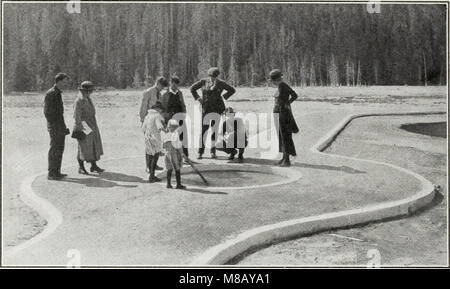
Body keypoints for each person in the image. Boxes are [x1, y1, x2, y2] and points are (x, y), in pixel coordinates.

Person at [190, 67, 236, 160]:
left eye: (214, 77)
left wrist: (223, 97)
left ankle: (213, 151)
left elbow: (232, 90)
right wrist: (199, 99)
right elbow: (192, 88)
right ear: (208, 75)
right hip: (206, 110)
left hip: (217, 110)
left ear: (217, 76)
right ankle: (200, 152)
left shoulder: (221, 83)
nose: (212, 78)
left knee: (214, 131)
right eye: (211, 76)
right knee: (204, 131)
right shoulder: (203, 81)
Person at [73, 81, 105, 174]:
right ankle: (81, 167)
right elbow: (76, 116)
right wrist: (80, 128)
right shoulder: (79, 100)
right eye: (89, 91)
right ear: (84, 91)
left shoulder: (88, 99)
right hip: (84, 124)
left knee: (93, 144)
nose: (90, 92)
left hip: (92, 124)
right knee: (83, 146)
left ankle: (93, 166)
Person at [44, 72, 71, 180]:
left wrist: (63, 127)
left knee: (59, 149)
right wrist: (55, 126)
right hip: (55, 126)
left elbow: (59, 113)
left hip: (59, 126)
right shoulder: (51, 93)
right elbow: (47, 112)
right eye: (64, 82)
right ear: (59, 82)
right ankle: (51, 173)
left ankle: (56, 171)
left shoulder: (57, 93)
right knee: (55, 149)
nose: (66, 85)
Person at [270, 69, 299, 167]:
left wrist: (287, 103)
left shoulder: (283, 86)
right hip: (279, 114)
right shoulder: (280, 86)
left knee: (285, 136)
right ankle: (284, 158)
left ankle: (287, 161)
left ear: (275, 80)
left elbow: (295, 95)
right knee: (281, 136)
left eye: (273, 80)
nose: (272, 82)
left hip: (283, 114)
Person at [140, 76, 168, 171]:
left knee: (155, 145)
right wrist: (143, 120)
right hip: (148, 122)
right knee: (149, 145)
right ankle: (148, 166)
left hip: (156, 122)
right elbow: (143, 107)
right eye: (162, 86)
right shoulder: (148, 92)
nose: (162, 88)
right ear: (158, 83)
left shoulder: (159, 94)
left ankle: (153, 165)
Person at [160, 76, 189, 158]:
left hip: (180, 117)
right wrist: (164, 120)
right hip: (170, 118)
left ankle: (185, 156)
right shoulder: (165, 94)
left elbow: (183, 104)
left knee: (183, 136)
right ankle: (171, 156)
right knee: (171, 137)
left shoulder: (180, 93)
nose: (175, 86)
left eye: (176, 85)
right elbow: (162, 107)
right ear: (170, 83)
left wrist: (184, 113)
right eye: (173, 84)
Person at [142, 101, 166, 183]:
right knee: (155, 157)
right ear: (158, 109)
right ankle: (152, 176)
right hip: (155, 138)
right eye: (161, 110)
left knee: (150, 155)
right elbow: (160, 127)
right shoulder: (157, 115)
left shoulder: (147, 116)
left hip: (147, 137)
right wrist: (166, 131)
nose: (161, 112)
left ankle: (150, 174)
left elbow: (143, 129)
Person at [163, 119, 187, 189]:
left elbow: (164, 146)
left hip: (167, 154)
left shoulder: (166, 135)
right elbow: (178, 146)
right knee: (177, 169)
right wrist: (182, 154)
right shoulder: (175, 135)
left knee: (169, 169)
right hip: (174, 154)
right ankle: (178, 185)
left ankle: (168, 184)